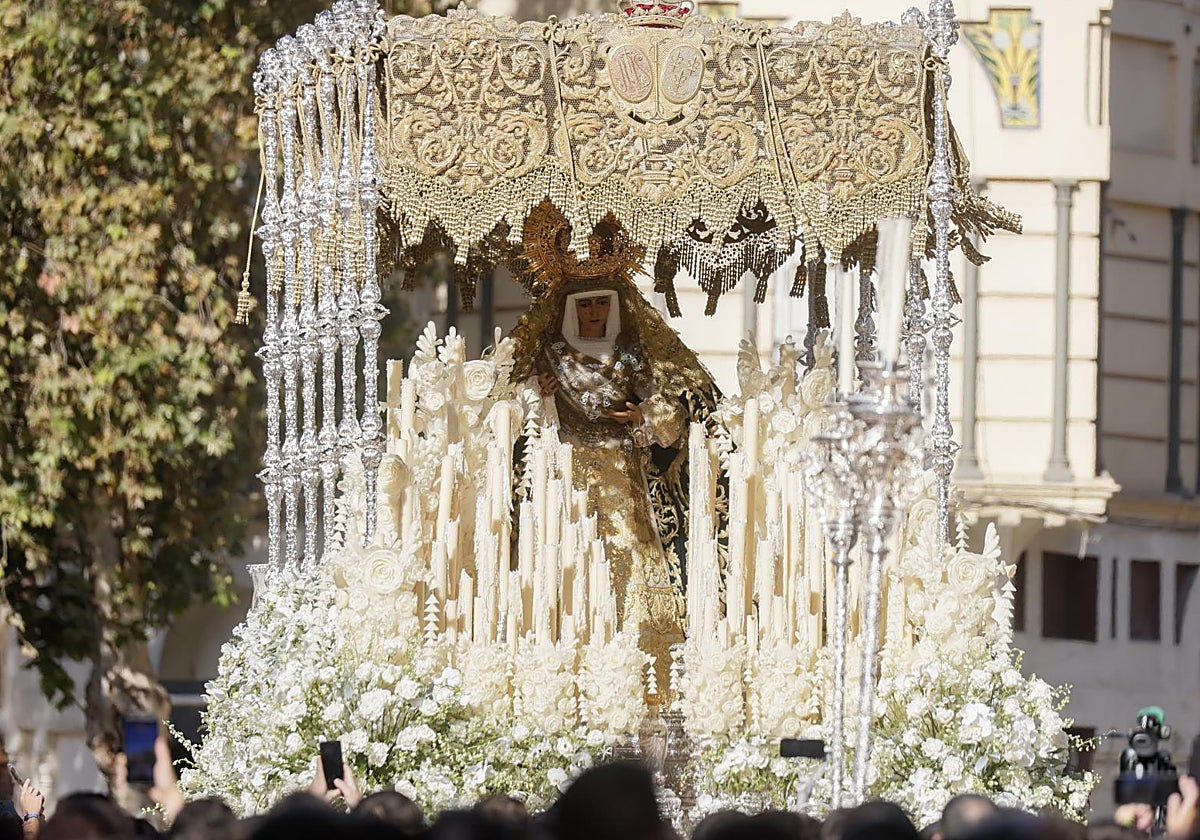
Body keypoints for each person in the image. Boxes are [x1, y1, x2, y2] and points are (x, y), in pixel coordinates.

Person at [510, 200, 720, 689]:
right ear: (568, 311)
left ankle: (646, 661)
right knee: (570, 557)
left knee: (632, 551)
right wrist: (537, 396)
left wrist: (645, 417)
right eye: (584, 305)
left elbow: (679, 410)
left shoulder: (633, 355)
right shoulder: (551, 356)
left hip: (625, 474)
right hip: (569, 475)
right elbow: (514, 409)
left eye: (601, 302)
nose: (594, 312)